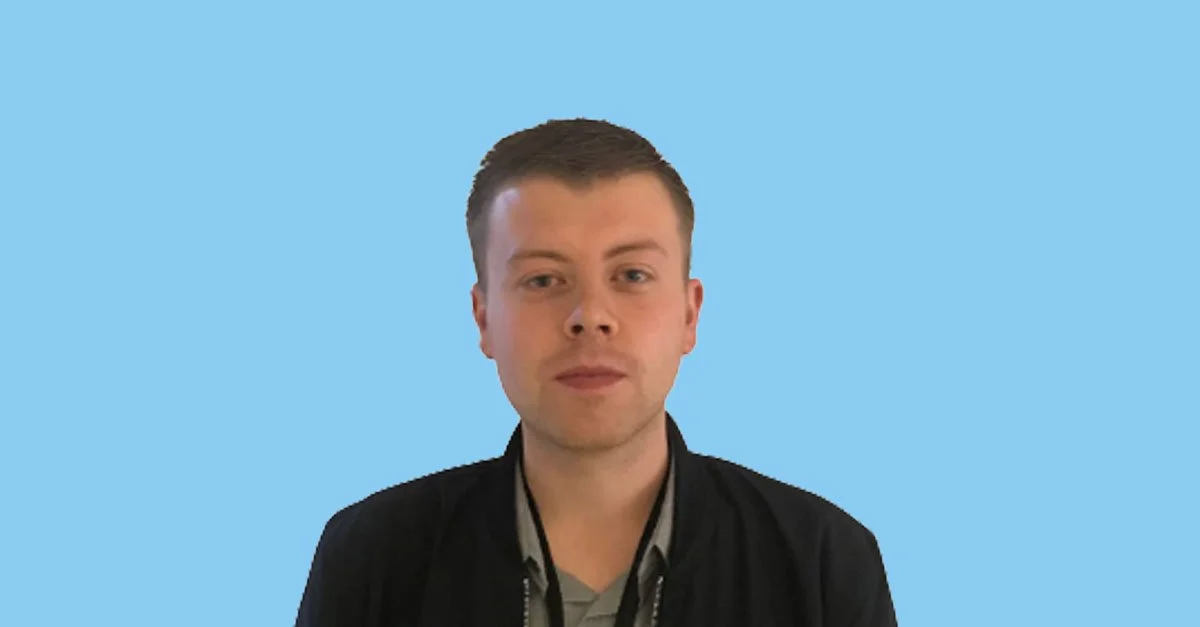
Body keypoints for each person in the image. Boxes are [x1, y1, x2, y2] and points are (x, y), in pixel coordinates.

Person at [293, 118, 897, 627]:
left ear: (690, 313)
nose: (590, 318)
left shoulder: (821, 561)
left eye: (631, 275)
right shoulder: (372, 560)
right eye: (543, 280)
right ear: (483, 318)